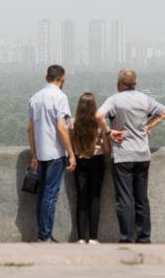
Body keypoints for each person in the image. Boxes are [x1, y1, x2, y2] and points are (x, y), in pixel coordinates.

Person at [96, 69, 165, 244]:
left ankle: (127, 237)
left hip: (123, 154)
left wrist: (108, 131)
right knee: (141, 198)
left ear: (118, 84)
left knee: (125, 199)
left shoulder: (114, 100)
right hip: (142, 155)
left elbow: (98, 115)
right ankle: (144, 237)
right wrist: (148, 125)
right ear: (135, 84)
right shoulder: (144, 99)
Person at [27, 64, 77, 243]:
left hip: (40, 153)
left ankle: (43, 233)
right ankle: (44, 236)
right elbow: (61, 128)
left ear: (46, 77)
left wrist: (34, 154)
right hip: (55, 153)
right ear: (62, 79)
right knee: (50, 196)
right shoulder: (60, 97)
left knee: (42, 195)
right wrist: (70, 153)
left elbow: (30, 129)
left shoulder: (35, 98)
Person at [70, 92, 110, 244]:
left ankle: (80, 238)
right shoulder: (100, 123)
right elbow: (106, 149)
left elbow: (72, 146)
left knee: (81, 199)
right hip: (97, 160)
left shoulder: (73, 123)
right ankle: (93, 237)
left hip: (80, 161)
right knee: (95, 198)